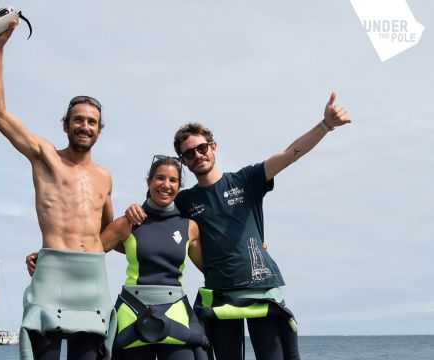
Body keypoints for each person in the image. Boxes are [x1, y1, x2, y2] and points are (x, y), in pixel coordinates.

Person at [126, 93, 351, 360]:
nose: (197, 155)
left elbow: (289, 154)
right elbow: (153, 222)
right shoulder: (184, 200)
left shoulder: (247, 179)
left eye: (202, 148)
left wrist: (325, 125)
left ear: (213, 147)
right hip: (220, 296)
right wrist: (133, 210)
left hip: (262, 291)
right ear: (184, 161)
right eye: (189, 153)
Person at [0, 22, 115, 360]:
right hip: (52, 276)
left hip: (92, 280)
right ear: (66, 124)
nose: (85, 126)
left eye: (91, 122)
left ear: (99, 130)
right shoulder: (45, 158)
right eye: (79, 119)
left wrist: (140, 220)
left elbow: (106, 237)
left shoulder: (105, 177)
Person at [28, 156, 210, 359]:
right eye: (159, 178)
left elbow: (210, 269)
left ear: (179, 185)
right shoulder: (127, 223)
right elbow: (87, 251)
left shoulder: (189, 228)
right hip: (133, 313)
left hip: (176, 313)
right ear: (149, 181)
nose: (166, 185)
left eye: (173, 180)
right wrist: (47, 259)